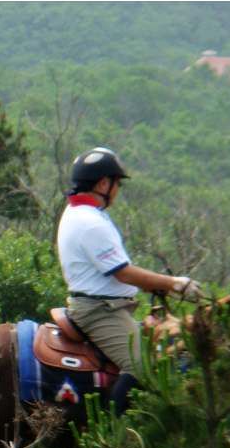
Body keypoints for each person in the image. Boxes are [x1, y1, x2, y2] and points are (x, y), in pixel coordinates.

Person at [56, 147, 203, 414]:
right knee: (144, 368)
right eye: (116, 184)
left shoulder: (78, 213)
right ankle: (114, 433)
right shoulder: (91, 222)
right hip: (101, 313)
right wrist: (174, 283)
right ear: (103, 183)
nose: (117, 190)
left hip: (107, 307)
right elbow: (123, 272)